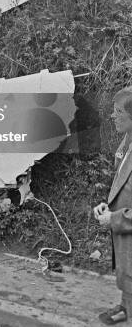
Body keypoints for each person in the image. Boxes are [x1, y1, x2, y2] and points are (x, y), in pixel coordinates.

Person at [94, 87, 132, 325]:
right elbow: (122, 183)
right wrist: (107, 206)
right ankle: (126, 306)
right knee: (127, 273)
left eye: (119, 112)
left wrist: (115, 219)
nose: (112, 116)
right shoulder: (127, 141)